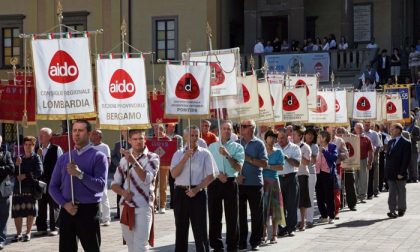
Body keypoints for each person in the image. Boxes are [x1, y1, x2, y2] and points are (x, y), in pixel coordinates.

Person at [49, 119, 108, 252]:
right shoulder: (64, 158)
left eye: (80, 130)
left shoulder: (98, 157)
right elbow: (52, 187)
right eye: (74, 130)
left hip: (88, 210)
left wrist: (79, 174)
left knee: (92, 248)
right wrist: (64, 204)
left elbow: (100, 186)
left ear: (89, 133)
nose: (76, 134)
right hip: (67, 210)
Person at [170, 126, 218, 252]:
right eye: (191, 135)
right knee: (181, 229)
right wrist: (185, 158)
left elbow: (212, 175)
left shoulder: (205, 153)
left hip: (198, 193)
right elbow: (174, 174)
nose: (194, 138)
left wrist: (197, 189)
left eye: (197, 135)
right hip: (181, 193)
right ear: (185, 137)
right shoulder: (178, 153)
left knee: (200, 230)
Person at [111, 129, 160, 252]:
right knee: (131, 246)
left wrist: (133, 161)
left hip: (143, 205)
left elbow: (147, 178)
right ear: (129, 141)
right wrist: (122, 192)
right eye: (135, 139)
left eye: (141, 138)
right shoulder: (123, 160)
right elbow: (114, 184)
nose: (138, 141)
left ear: (145, 139)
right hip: (126, 206)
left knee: (141, 245)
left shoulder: (153, 157)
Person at [208, 121, 244, 252]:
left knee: (232, 216)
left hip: (230, 182)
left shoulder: (238, 147)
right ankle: (216, 245)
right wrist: (218, 175)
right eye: (224, 129)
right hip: (215, 182)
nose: (226, 131)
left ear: (232, 131)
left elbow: (239, 167)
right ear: (219, 131)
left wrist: (227, 155)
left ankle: (232, 245)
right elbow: (207, 166)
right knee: (214, 215)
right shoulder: (211, 146)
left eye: (229, 129)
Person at [237, 119, 268, 251]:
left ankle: (255, 241)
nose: (241, 128)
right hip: (240, 184)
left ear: (252, 128)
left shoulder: (259, 144)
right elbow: (231, 161)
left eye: (244, 126)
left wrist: (248, 158)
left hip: (255, 184)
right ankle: (242, 241)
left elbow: (265, 164)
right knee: (240, 216)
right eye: (241, 126)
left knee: (256, 214)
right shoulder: (236, 143)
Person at [11, 136, 43, 242]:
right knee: (17, 211)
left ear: (34, 146)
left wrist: (26, 175)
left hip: (30, 188)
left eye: (30, 145)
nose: (28, 147)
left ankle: (28, 233)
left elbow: (39, 171)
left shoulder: (36, 158)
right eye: (26, 144)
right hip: (18, 188)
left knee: (30, 211)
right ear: (23, 146)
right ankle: (18, 233)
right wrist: (16, 166)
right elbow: (13, 172)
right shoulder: (19, 158)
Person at [36, 127, 63, 236]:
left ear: (49, 137)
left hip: (53, 181)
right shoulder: (36, 149)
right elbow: (35, 164)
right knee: (41, 204)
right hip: (41, 182)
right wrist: (38, 156)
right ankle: (41, 227)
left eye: (43, 134)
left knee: (54, 205)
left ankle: (54, 227)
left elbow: (61, 164)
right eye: (40, 134)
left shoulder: (56, 149)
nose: (40, 136)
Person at [262, 130, 286, 244]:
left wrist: (268, 166)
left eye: (274, 138)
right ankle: (264, 233)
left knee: (275, 209)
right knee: (264, 208)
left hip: (274, 182)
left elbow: (281, 167)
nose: (272, 139)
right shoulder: (261, 152)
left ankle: (275, 234)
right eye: (270, 137)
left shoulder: (279, 152)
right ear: (265, 138)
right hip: (262, 182)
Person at [276, 128, 301, 237]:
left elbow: (297, 164)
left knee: (291, 204)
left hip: (291, 178)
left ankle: (291, 228)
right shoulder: (274, 147)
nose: (280, 140)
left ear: (288, 137)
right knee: (280, 205)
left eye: (282, 138)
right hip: (278, 178)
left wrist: (286, 157)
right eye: (278, 138)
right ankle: (281, 228)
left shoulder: (295, 148)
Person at [385, 123, 411, 218]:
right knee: (392, 191)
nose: (390, 130)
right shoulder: (390, 142)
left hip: (400, 172)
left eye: (392, 128)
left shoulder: (406, 143)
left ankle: (401, 209)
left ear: (398, 130)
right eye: (390, 128)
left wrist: (402, 172)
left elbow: (406, 159)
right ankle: (392, 210)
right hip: (391, 172)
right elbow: (388, 157)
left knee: (401, 192)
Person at [315, 131, 338, 224]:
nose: (317, 139)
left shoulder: (332, 146)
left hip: (327, 173)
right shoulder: (315, 147)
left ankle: (331, 215)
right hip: (318, 173)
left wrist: (324, 151)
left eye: (319, 137)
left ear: (324, 138)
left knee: (329, 196)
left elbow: (334, 158)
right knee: (319, 196)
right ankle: (324, 215)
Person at [90, 129, 112, 226]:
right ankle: (96, 217)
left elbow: (108, 161)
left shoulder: (104, 147)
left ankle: (106, 218)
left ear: (100, 136)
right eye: (92, 134)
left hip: (101, 175)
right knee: (93, 198)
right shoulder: (89, 147)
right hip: (91, 176)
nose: (93, 136)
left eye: (95, 134)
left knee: (104, 196)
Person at [292, 126, 311, 231]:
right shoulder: (290, 146)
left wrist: (299, 153)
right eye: (292, 135)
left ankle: (303, 222)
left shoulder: (305, 147)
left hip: (302, 174)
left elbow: (307, 162)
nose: (293, 137)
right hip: (292, 174)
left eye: (295, 135)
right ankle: (294, 222)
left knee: (303, 200)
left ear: (300, 136)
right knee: (293, 200)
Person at [327, 126, 349, 219]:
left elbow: (346, 154)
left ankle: (336, 210)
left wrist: (336, 154)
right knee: (325, 190)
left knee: (336, 190)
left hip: (336, 167)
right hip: (323, 168)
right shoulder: (320, 139)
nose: (333, 129)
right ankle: (326, 211)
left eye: (334, 128)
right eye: (331, 127)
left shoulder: (339, 140)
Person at [336, 127, 358, 211]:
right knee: (339, 185)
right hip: (338, 165)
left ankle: (352, 204)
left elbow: (356, 140)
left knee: (350, 185)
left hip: (348, 164)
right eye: (339, 133)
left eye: (342, 133)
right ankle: (340, 203)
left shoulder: (350, 139)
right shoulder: (336, 141)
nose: (341, 135)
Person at [151, 124, 171, 214]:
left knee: (163, 186)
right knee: (153, 186)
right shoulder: (152, 140)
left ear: (162, 130)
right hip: (153, 166)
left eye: (157, 129)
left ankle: (162, 206)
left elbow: (170, 150)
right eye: (154, 129)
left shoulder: (167, 139)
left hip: (164, 166)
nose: (155, 131)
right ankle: (153, 205)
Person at [111, 130, 131, 219]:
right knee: (119, 191)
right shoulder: (117, 144)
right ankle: (119, 212)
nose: (125, 133)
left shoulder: (131, 143)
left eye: (126, 132)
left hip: (129, 170)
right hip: (119, 170)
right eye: (123, 132)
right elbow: (113, 156)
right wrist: (118, 163)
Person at [0, 135, 15, 249]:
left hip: (4, 189)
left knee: (4, 215)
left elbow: (11, 168)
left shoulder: (7, 154)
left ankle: (1, 239)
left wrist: (1, 169)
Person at [354, 123, 374, 203]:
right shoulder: (352, 138)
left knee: (364, 179)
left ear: (362, 129)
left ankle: (362, 196)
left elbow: (371, 151)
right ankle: (355, 196)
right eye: (357, 128)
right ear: (355, 129)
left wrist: (370, 162)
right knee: (354, 179)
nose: (359, 129)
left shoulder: (367, 139)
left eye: (360, 128)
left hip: (363, 160)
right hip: (354, 161)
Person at [303, 128, 319, 227]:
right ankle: (300, 219)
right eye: (308, 134)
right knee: (300, 197)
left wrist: (306, 151)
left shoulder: (314, 146)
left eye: (312, 135)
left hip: (311, 173)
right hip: (300, 173)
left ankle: (309, 219)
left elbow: (313, 160)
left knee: (309, 196)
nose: (309, 136)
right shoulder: (300, 145)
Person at [165, 123, 183, 209]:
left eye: (174, 127)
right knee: (163, 185)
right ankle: (161, 204)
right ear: (166, 127)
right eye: (171, 126)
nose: (173, 128)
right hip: (164, 164)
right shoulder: (162, 137)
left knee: (173, 184)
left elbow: (180, 149)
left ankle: (173, 203)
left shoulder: (178, 138)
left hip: (174, 163)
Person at [364, 122, 382, 200]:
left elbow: (378, 145)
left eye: (368, 125)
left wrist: (375, 155)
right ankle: (367, 192)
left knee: (374, 175)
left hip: (373, 155)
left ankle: (375, 191)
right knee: (366, 175)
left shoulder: (374, 134)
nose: (366, 126)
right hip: (364, 157)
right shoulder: (361, 133)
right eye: (365, 125)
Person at [406, 115, 420, 183]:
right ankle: (409, 178)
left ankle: (415, 178)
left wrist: (412, 137)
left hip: (414, 148)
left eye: (409, 119)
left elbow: (419, 138)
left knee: (414, 164)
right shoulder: (404, 128)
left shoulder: (416, 128)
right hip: (406, 148)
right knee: (408, 164)